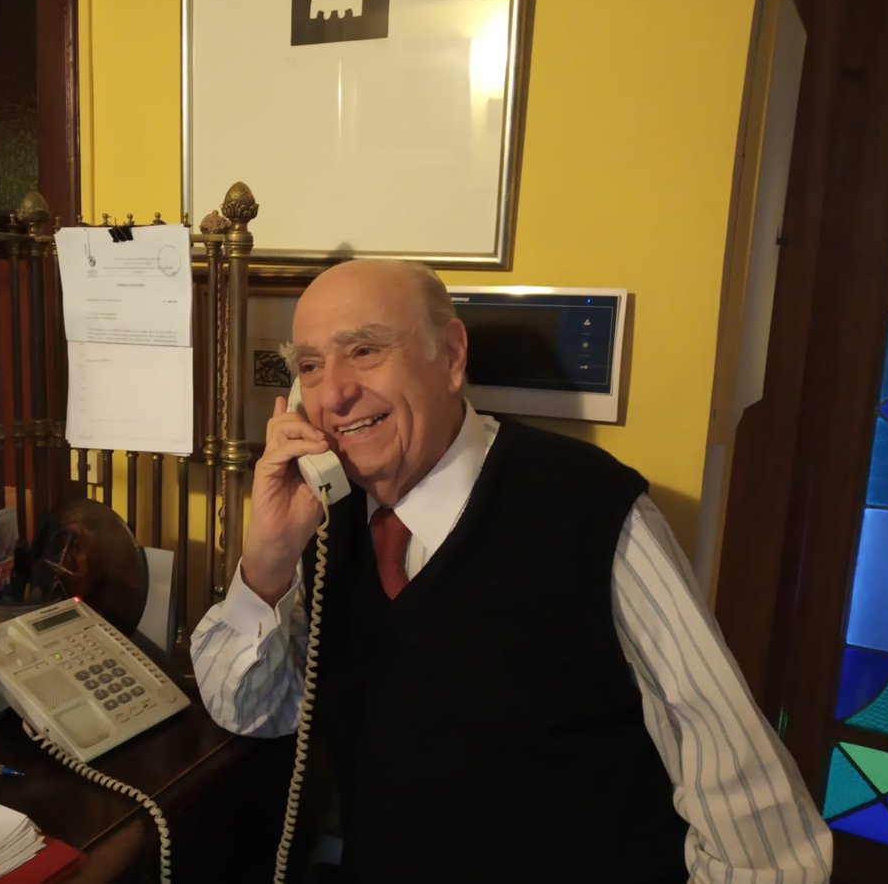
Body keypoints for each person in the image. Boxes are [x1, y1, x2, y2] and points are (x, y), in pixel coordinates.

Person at [191, 259, 832, 882]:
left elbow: (751, 810)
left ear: (451, 356)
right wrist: (268, 558)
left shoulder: (590, 509)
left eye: (364, 351)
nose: (333, 393)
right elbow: (248, 711)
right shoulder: (322, 520)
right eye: (310, 366)